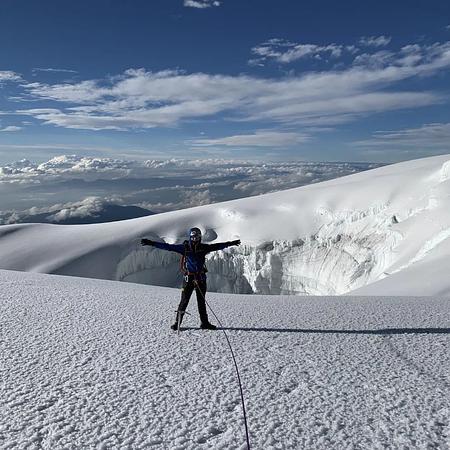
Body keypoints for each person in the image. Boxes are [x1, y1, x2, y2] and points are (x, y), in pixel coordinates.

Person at [141, 227, 240, 331]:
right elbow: (168, 247)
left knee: (201, 302)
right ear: (190, 237)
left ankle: (204, 323)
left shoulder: (202, 248)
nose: (195, 239)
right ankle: (178, 323)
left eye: (196, 237)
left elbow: (217, 246)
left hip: (199, 278)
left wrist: (231, 243)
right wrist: (151, 243)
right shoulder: (185, 248)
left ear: (200, 237)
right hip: (191, 278)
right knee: (184, 301)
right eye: (193, 237)